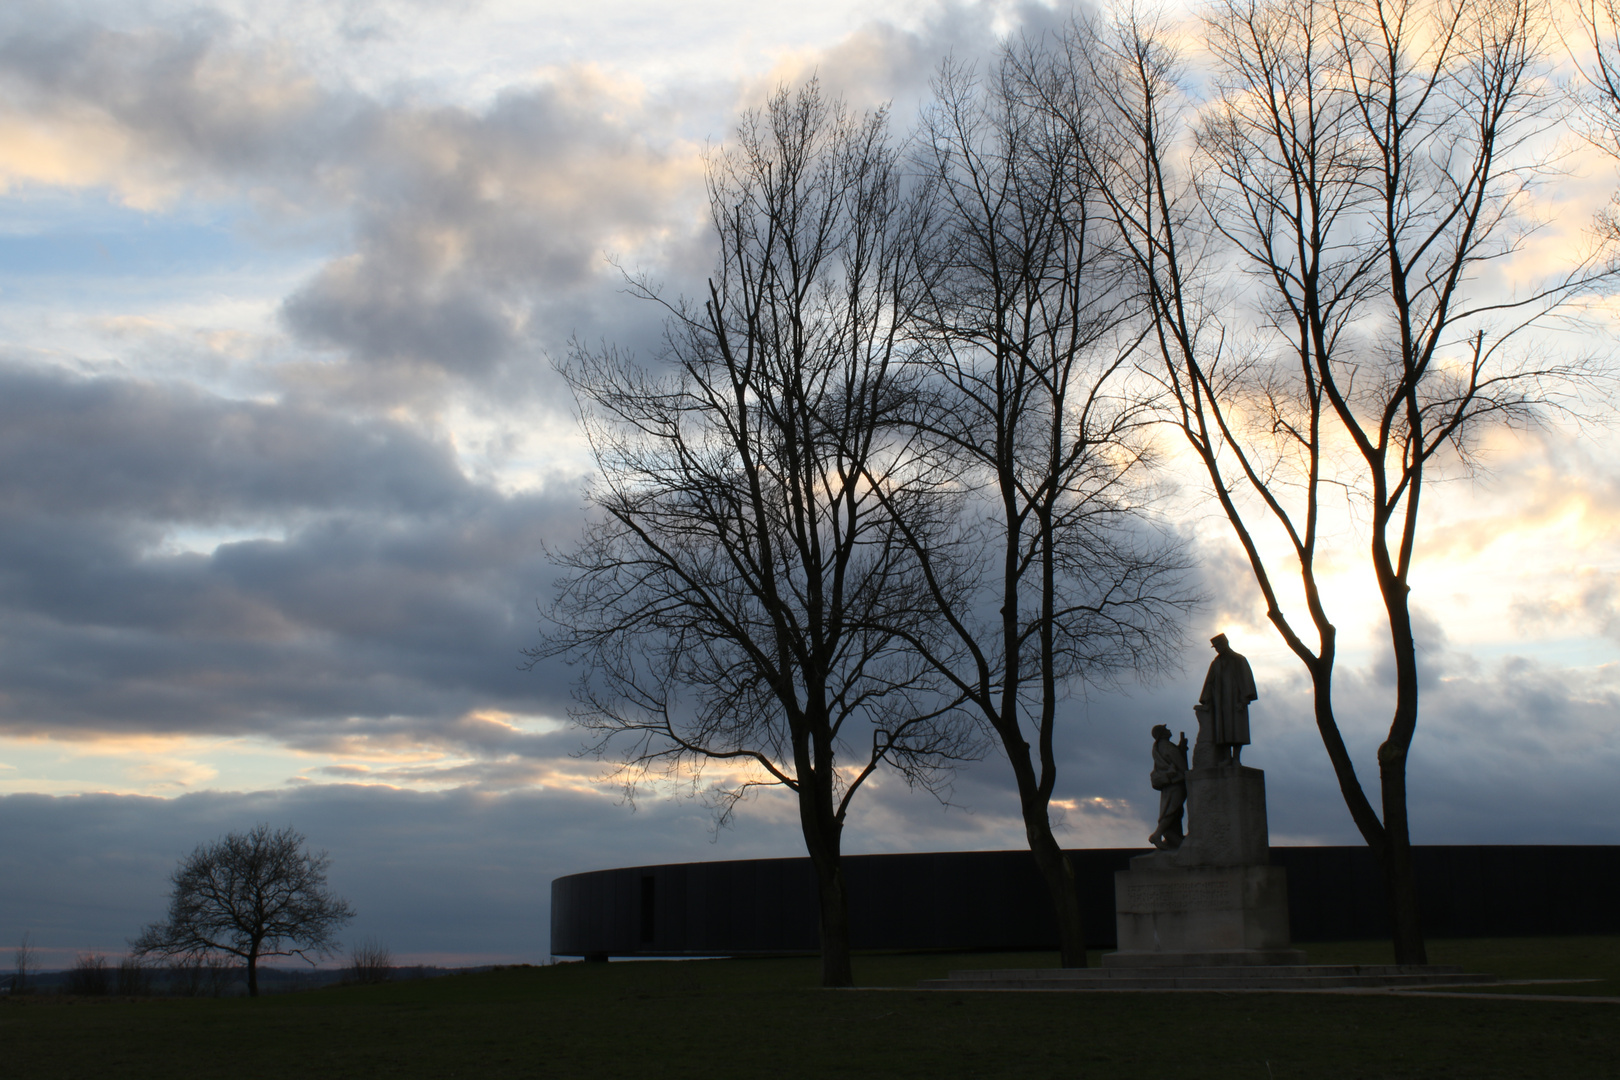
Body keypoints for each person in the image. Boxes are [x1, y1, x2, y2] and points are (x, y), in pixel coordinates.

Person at [1199, 632, 1257, 765]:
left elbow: (1247, 681)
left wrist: (1244, 700)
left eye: (1218, 645)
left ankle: (1236, 758)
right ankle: (1226, 758)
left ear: (1225, 643)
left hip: (1236, 701)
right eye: (1215, 647)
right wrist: (1206, 700)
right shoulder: (1216, 663)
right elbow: (1209, 682)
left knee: (1237, 730)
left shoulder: (1239, 660)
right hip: (1220, 702)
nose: (1217, 649)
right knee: (1222, 730)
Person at [1148, 724, 1189, 850]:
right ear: (1162, 733)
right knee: (1171, 810)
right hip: (1175, 782)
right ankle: (1157, 835)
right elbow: (1179, 764)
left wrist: (1181, 748)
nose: (1169, 730)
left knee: (1176, 811)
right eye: (1166, 729)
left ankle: (1173, 837)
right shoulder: (1166, 746)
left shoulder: (1163, 746)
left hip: (1172, 783)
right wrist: (1187, 773)